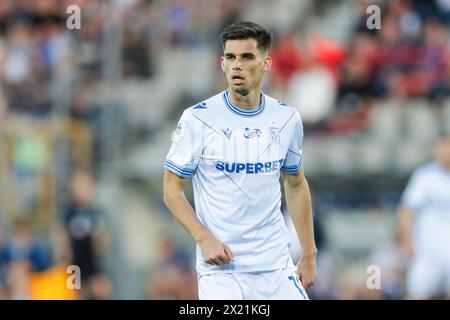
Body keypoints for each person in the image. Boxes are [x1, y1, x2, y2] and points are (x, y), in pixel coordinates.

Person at [163, 21, 317, 300]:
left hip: (275, 268)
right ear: (222, 63)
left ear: (265, 63)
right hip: (222, 272)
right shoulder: (198, 119)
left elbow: (295, 185)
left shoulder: (286, 119)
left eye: (247, 57)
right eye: (231, 57)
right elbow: (172, 190)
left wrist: (308, 252)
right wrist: (203, 238)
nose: (237, 65)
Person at [398, 136, 450, 299]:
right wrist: (407, 243)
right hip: (428, 250)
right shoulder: (424, 177)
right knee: (418, 293)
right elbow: (406, 211)